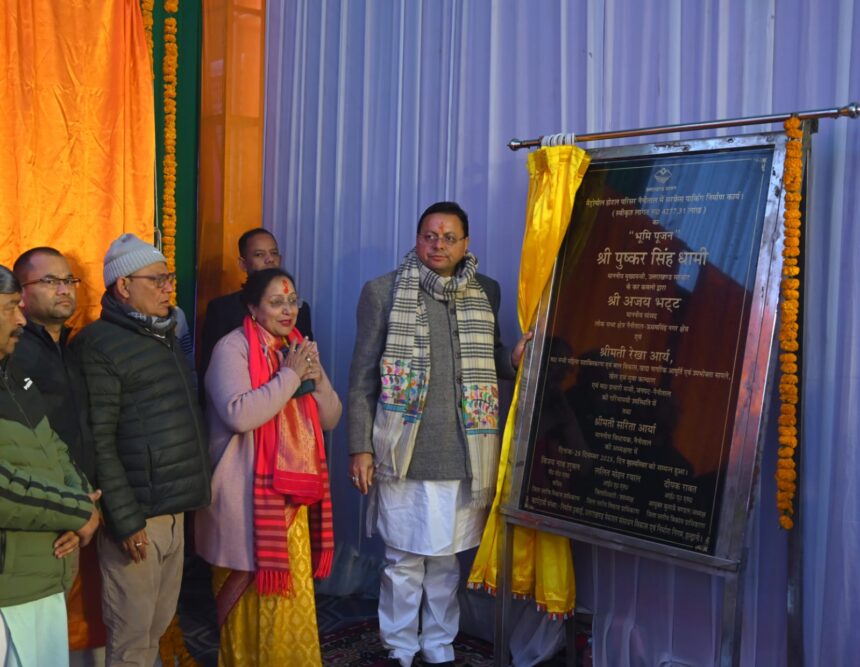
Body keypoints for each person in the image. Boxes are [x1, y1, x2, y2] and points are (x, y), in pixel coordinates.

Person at [348, 201, 531, 667]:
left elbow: (489, 355)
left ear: (465, 244)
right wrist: (360, 448)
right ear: (417, 239)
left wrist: (512, 360)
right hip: (403, 451)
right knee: (403, 561)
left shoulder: (486, 291)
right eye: (430, 236)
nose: (438, 245)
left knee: (447, 561)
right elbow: (363, 378)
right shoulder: (383, 292)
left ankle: (438, 645)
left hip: (464, 453)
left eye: (449, 238)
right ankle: (400, 647)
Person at [73, 234, 211, 666]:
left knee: (155, 627)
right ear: (123, 286)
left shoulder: (163, 334)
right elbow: (98, 439)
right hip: (137, 516)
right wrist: (126, 519)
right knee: (132, 639)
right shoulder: (99, 344)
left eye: (168, 278)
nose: (168, 288)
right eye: (157, 279)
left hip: (172, 508)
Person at [195, 267, 341, 666]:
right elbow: (240, 415)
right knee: (248, 609)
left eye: (292, 301)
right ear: (253, 308)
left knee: (290, 606)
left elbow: (330, 419)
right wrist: (290, 375)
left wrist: (316, 378)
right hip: (246, 500)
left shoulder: (296, 347)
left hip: (292, 500)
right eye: (276, 302)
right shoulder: (233, 348)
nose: (288, 310)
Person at [0, 264, 101, 667]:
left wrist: (82, 502)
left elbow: (54, 447)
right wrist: (77, 511)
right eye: (9, 307)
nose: (21, 319)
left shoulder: (14, 374)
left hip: (42, 577)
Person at [199, 228, 313, 394]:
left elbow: (308, 366)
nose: (269, 259)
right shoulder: (223, 309)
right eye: (259, 254)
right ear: (243, 263)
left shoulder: (299, 311)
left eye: (274, 253)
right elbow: (209, 374)